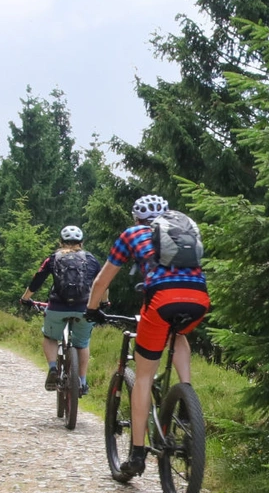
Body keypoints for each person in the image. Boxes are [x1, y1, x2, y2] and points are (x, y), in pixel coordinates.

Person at [85, 194, 210, 478]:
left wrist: (92, 309)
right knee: (177, 335)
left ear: (136, 218)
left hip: (161, 300)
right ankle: (186, 397)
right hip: (198, 299)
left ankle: (138, 453)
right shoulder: (182, 231)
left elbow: (102, 279)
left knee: (142, 376)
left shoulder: (132, 234)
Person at [20, 226, 103, 396]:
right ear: (82, 243)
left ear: (60, 242)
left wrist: (25, 298)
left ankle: (52, 368)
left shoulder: (53, 259)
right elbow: (101, 282)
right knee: (82, 343)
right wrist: (104, 302)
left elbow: (37, 279)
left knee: (50, 337)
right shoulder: (91, 259)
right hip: (84, 308)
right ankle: (82, 381)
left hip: (57, 307)